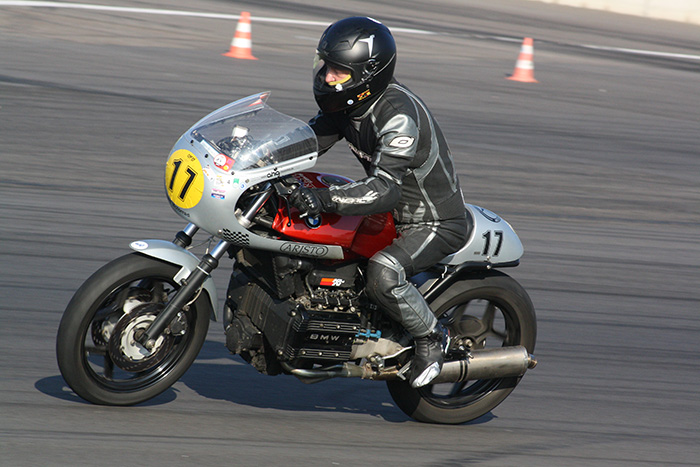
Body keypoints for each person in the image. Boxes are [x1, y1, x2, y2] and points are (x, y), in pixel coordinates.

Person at [289, 16, 469, 388]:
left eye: (337, 71)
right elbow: (305, 144)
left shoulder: (398, 116)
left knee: (383, 275)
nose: (326, 77)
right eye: (325, 67)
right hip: (389, 214)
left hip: (431, 222)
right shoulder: (348, 106)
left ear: (366, 75)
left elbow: (384, 189)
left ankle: (432, 338)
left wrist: (321, 199)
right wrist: (253, 163)